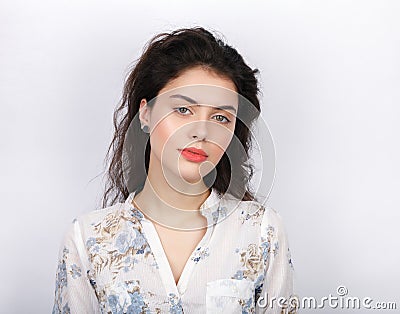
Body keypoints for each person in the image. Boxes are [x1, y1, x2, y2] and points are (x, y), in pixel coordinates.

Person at [51, 26, 296, 313]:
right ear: (146, 113)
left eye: (220, 117)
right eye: (183, 110)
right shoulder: (87, 240)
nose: (201, 131)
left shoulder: (262, 231)